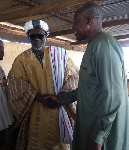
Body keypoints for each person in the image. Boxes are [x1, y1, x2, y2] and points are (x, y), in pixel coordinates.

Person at [45, 2, 129, 150]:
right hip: (92, 132)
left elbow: (112, 96)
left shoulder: (104, 45)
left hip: (106, 141)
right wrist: (61, 98)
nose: (73, 26)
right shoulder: (94, 45)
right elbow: (89, 88)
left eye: (75, 22)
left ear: (89, 21)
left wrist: (98, 137)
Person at [6, 20, 79, 149]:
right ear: (28, 37)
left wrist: (59, 99)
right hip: (36, 109)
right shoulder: (21, 60)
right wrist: (41, 98)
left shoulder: (61, 55)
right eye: (32, 36)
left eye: (40, 35)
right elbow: (16, 84)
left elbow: (74, 77)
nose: (36, 39)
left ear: (46, 36)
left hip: (59, 108)